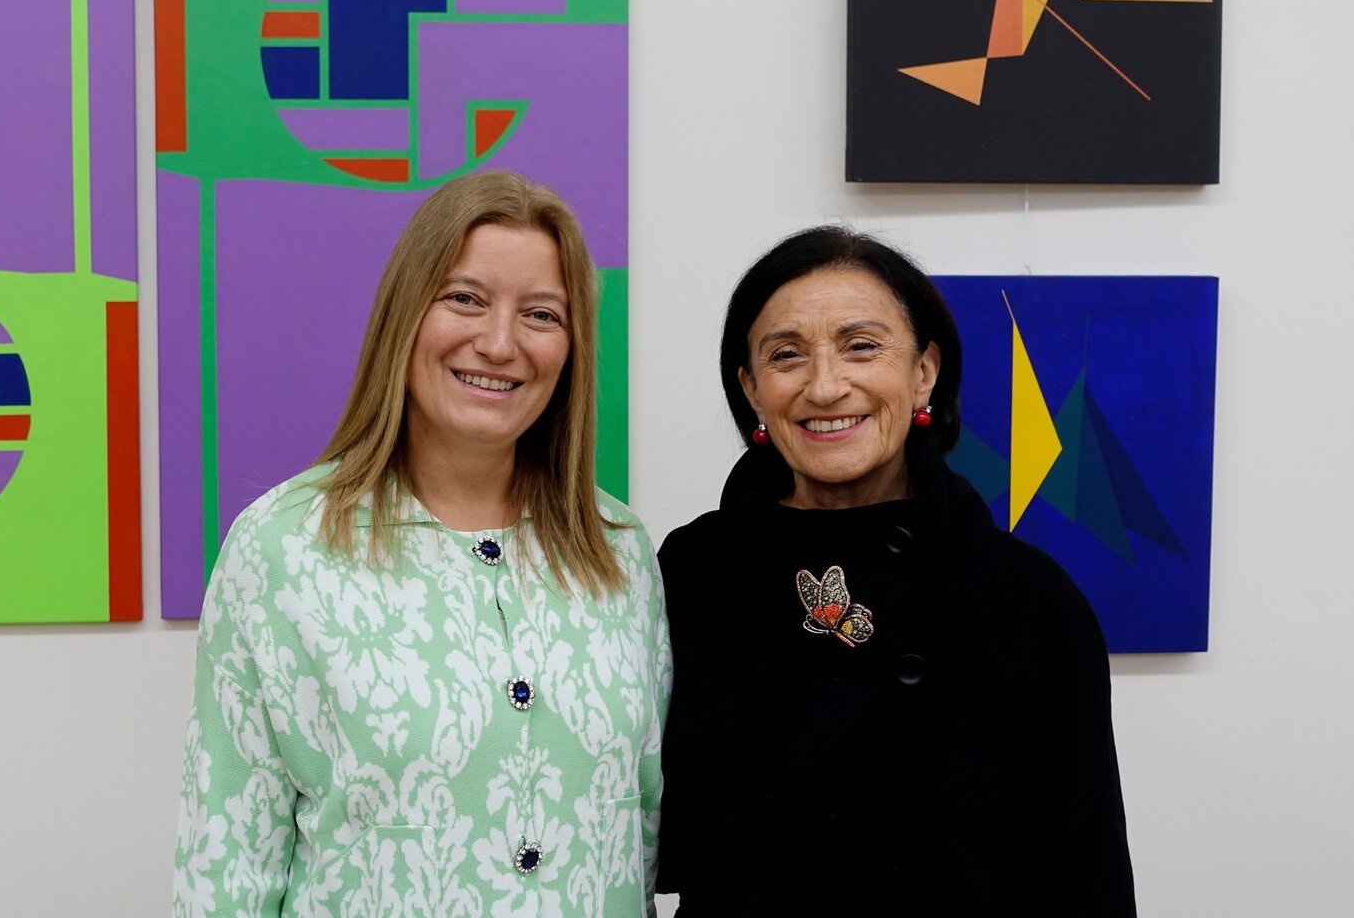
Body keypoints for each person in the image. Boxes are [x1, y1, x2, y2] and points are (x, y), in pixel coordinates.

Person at [173, 171, 670, 918]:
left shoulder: (619, 549)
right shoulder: (281, 549)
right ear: (404, 314)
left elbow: (644, 828)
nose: (498, 344)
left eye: (541, 314)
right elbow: (227, 864)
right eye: (464, 299)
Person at [655, 227, 1135, 915]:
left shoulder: (1028, 602)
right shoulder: (690, 574)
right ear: (752, 390)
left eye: (861, 346)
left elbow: (1084, 882)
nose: (826, 386)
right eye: (787, 355)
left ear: (924, 373)